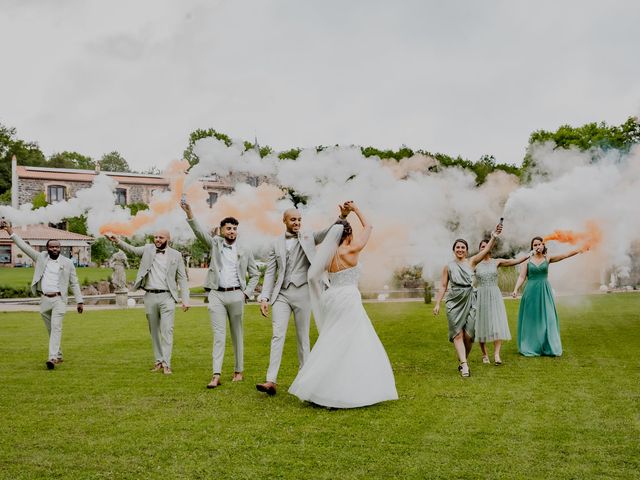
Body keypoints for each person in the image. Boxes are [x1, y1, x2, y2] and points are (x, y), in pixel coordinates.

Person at [289, 202, 398, 408]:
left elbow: (315, 275)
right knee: (350, 340)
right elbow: (369, 227)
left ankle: (319, 386)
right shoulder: (353, 250)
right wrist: (356, 210)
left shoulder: (327, 257)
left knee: (332, 338)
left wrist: (343, 217)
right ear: (348, 235)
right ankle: (341, 389)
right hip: (348, 298)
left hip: (332, 298)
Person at [256, 204, 350, 396]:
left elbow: (328, 232)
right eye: (293, 220)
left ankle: (305, 380)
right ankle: (271, 381)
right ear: (284, 221)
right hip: (281, 294)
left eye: (299, 219)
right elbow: (270, 272)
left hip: (304, 293)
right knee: (277, 335)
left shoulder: (308, 237)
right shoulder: (275, 243)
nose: (297, 222)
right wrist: (264, 297)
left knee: (303, 338)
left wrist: (342, 216)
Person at [180, 202, 260, 389]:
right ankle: (216, 375)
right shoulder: (215, 244)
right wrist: (190, 213)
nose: (232, 231)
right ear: (222, 230)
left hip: (236, 296)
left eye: (234, 229)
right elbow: (199, 233)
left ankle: (238, 371)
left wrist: (246, 293)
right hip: (216, 295)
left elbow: (255, 274)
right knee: (218, 335)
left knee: (237, 335)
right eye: (228, 228)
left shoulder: (245, 250)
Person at [1, 220, 83, 370]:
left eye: (57, 247)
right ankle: (58, 355)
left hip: (59, 299)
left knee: (56, 327)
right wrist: (9, 231)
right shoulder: (40, 258)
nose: (54, 249)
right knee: (51, 330)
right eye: (52, 247)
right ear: (47, 248)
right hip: (45, 300)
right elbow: (23, 246)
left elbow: (74, 283)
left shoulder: (68, 263)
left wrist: (80, 301)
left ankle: (51, 358)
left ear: (60, 248)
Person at [106, 230, 189, 374]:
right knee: (154, 332)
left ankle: (166, 364)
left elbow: (182, 278)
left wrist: (185, 299)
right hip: (150, 296)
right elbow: (131, 250)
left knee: (167, 330)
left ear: (168, 239)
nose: (157, 239)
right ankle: (158, 361)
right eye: (155, 237)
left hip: (167, 297)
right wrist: (117, 240)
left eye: (161, 237)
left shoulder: (176, 255)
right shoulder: (147, 249)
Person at [432, 223, 503, 378]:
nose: (460, 250)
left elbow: (485, 250)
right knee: (457, 334)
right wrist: (438, 303)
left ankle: (462, 358)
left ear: (467, 250)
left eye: (463, 248)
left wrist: (493, 236)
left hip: (470, 299)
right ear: (454, 250)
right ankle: (464, 365)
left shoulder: (471, 262)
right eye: (457, 247)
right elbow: (443, 285)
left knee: (469, 336)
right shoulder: (448, 266)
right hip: (454, 302)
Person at [512, 237, 585, 357]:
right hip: (531, 291)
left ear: (543, 245)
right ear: (532, 247)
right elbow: (521, 277)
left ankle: (549, 346)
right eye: (535, 245)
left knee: (548, 318)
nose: (537, 247)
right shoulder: (527, 260)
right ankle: (531, 346)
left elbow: (565, 255)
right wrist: (515, 289)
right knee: (532, 319)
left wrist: (578, 250)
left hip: (545, 291)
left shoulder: (548, 258)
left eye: (539, 244)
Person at [474, 239, 528, 365]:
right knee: (481, 324)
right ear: (479, 249)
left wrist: (529, 255)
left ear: (490, 248)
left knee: (496, 324)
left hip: (494, 295)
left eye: (486, 246)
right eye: (482, 246)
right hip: (481, 295)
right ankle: (484, 354)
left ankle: (497, 354)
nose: (484, 248)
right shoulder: (475, 263)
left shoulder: (496, 262)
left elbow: (513, 261)